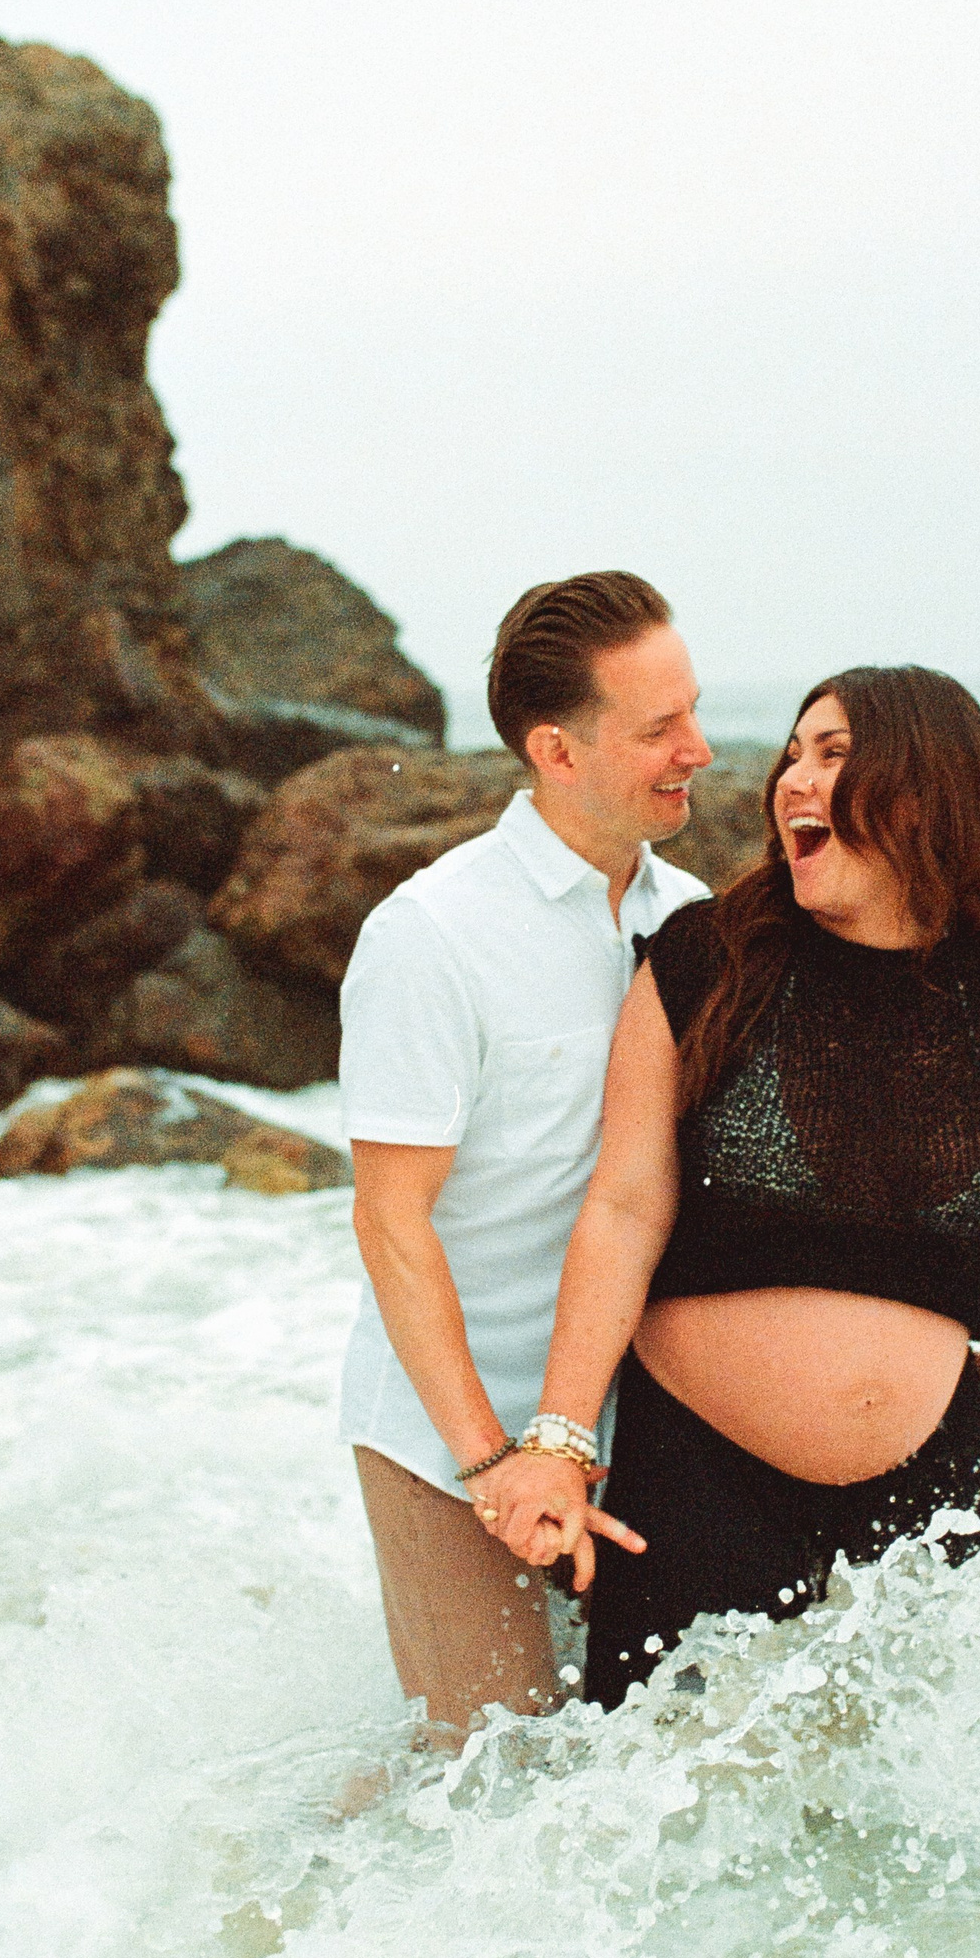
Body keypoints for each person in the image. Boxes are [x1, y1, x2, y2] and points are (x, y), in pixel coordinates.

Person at [479, 666, 980, 1710]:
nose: (792, 781)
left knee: (915, 1840)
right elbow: (625, 1208)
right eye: (793, 754)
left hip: (926, 1484)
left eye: (834, 754)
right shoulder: (708, 958)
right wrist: (558, 1440)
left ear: (925, 788)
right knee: (637, 1817)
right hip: (698, 1473)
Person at [338, 569, 714, 1751]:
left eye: (692, 712)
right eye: (659, 729)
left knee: (634, 1778)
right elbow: (392, 1224)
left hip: (640, 1426)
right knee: (479, 1779)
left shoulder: (696, 917)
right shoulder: (431, 937)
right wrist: (491, 1462)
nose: (698, 750)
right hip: (457, 1433)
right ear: (555, 749)